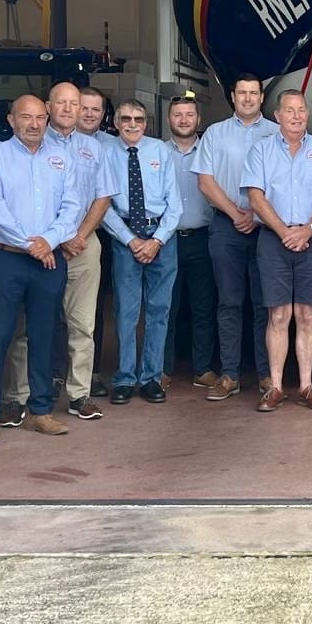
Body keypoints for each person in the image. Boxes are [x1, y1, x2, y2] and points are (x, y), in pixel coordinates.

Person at [0, 82, 118, 425]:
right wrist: (52, 239)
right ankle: (17, 396)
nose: (68, 109)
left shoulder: (93, 149)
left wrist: (78, 236)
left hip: (82, 246)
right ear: (49, 107)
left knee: (82, 325)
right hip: (38, 249)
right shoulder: (31, 143)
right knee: (29, 326)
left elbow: (103, 197)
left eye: (74, 103)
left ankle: (79, 393)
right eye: (61, 103)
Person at [0, 95, 85, 444]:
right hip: (7, 258)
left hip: (48, 258)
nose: (35, 124)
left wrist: (47, 241)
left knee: (44, 334)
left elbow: (72, 207)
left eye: (40, 117)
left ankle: (40, 410)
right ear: (11, 120)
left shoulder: (62, 158)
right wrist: (32, 245)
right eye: (26, 117)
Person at [243, 90, 312, 412]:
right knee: (277, 314)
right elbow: (255, 197)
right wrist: (284, 231)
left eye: (302, 110)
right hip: (273, 239)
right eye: (290, 111)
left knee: (306, 313)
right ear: (278, 115)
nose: (297, 116)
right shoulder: (260, 150)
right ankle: (274, 387)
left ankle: (305, 385)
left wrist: (309, 229)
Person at [196, 73, 280, 401]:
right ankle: (229, 374)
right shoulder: (215, 134)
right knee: (229, 302)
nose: (247, 98)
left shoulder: (277, 134)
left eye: (253, 93)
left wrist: (258, 216)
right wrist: (236, 213)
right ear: (232, 96)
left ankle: (265, 374)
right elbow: (205, 182)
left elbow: (284, 184)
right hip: (225, 227)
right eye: (241, 92)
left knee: (265, 303)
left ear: (262, 98)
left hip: (267, 230)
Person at [101, 99, 183, 405]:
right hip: (125, 238)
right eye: (126, 119)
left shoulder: (160, 151)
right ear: (117, 123)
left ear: (146, 123)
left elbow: (175, 204)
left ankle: (151, 377)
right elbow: (103, 203)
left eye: (138, 119)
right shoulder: (107, 153)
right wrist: (130, 240)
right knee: (125, 311)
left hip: (161, 237)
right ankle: (124, 377)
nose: (132, 124)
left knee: (159, 310)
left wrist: (157, 240)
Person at [164, 95, 220, 389]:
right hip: (167, 241)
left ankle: (203, 368)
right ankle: (162, 369)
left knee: (203, 306)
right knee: (165, 307)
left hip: (203, 238)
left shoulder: (211, 152)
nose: (183, 120)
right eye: (177, 115)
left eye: (189, 114)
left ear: (199, 119)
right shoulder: (157, 153)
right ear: (169, 119)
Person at [77, 86, 118, 397]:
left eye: (96, 109)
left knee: (93, 308)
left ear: (104, 114)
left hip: (100, 234)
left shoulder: (112, 147)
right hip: (57, 236)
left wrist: (85, 234)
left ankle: (90, 372)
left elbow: (111, 198)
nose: (89, 114)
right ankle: (53, 374)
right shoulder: (53, 141)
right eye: (84, 107)